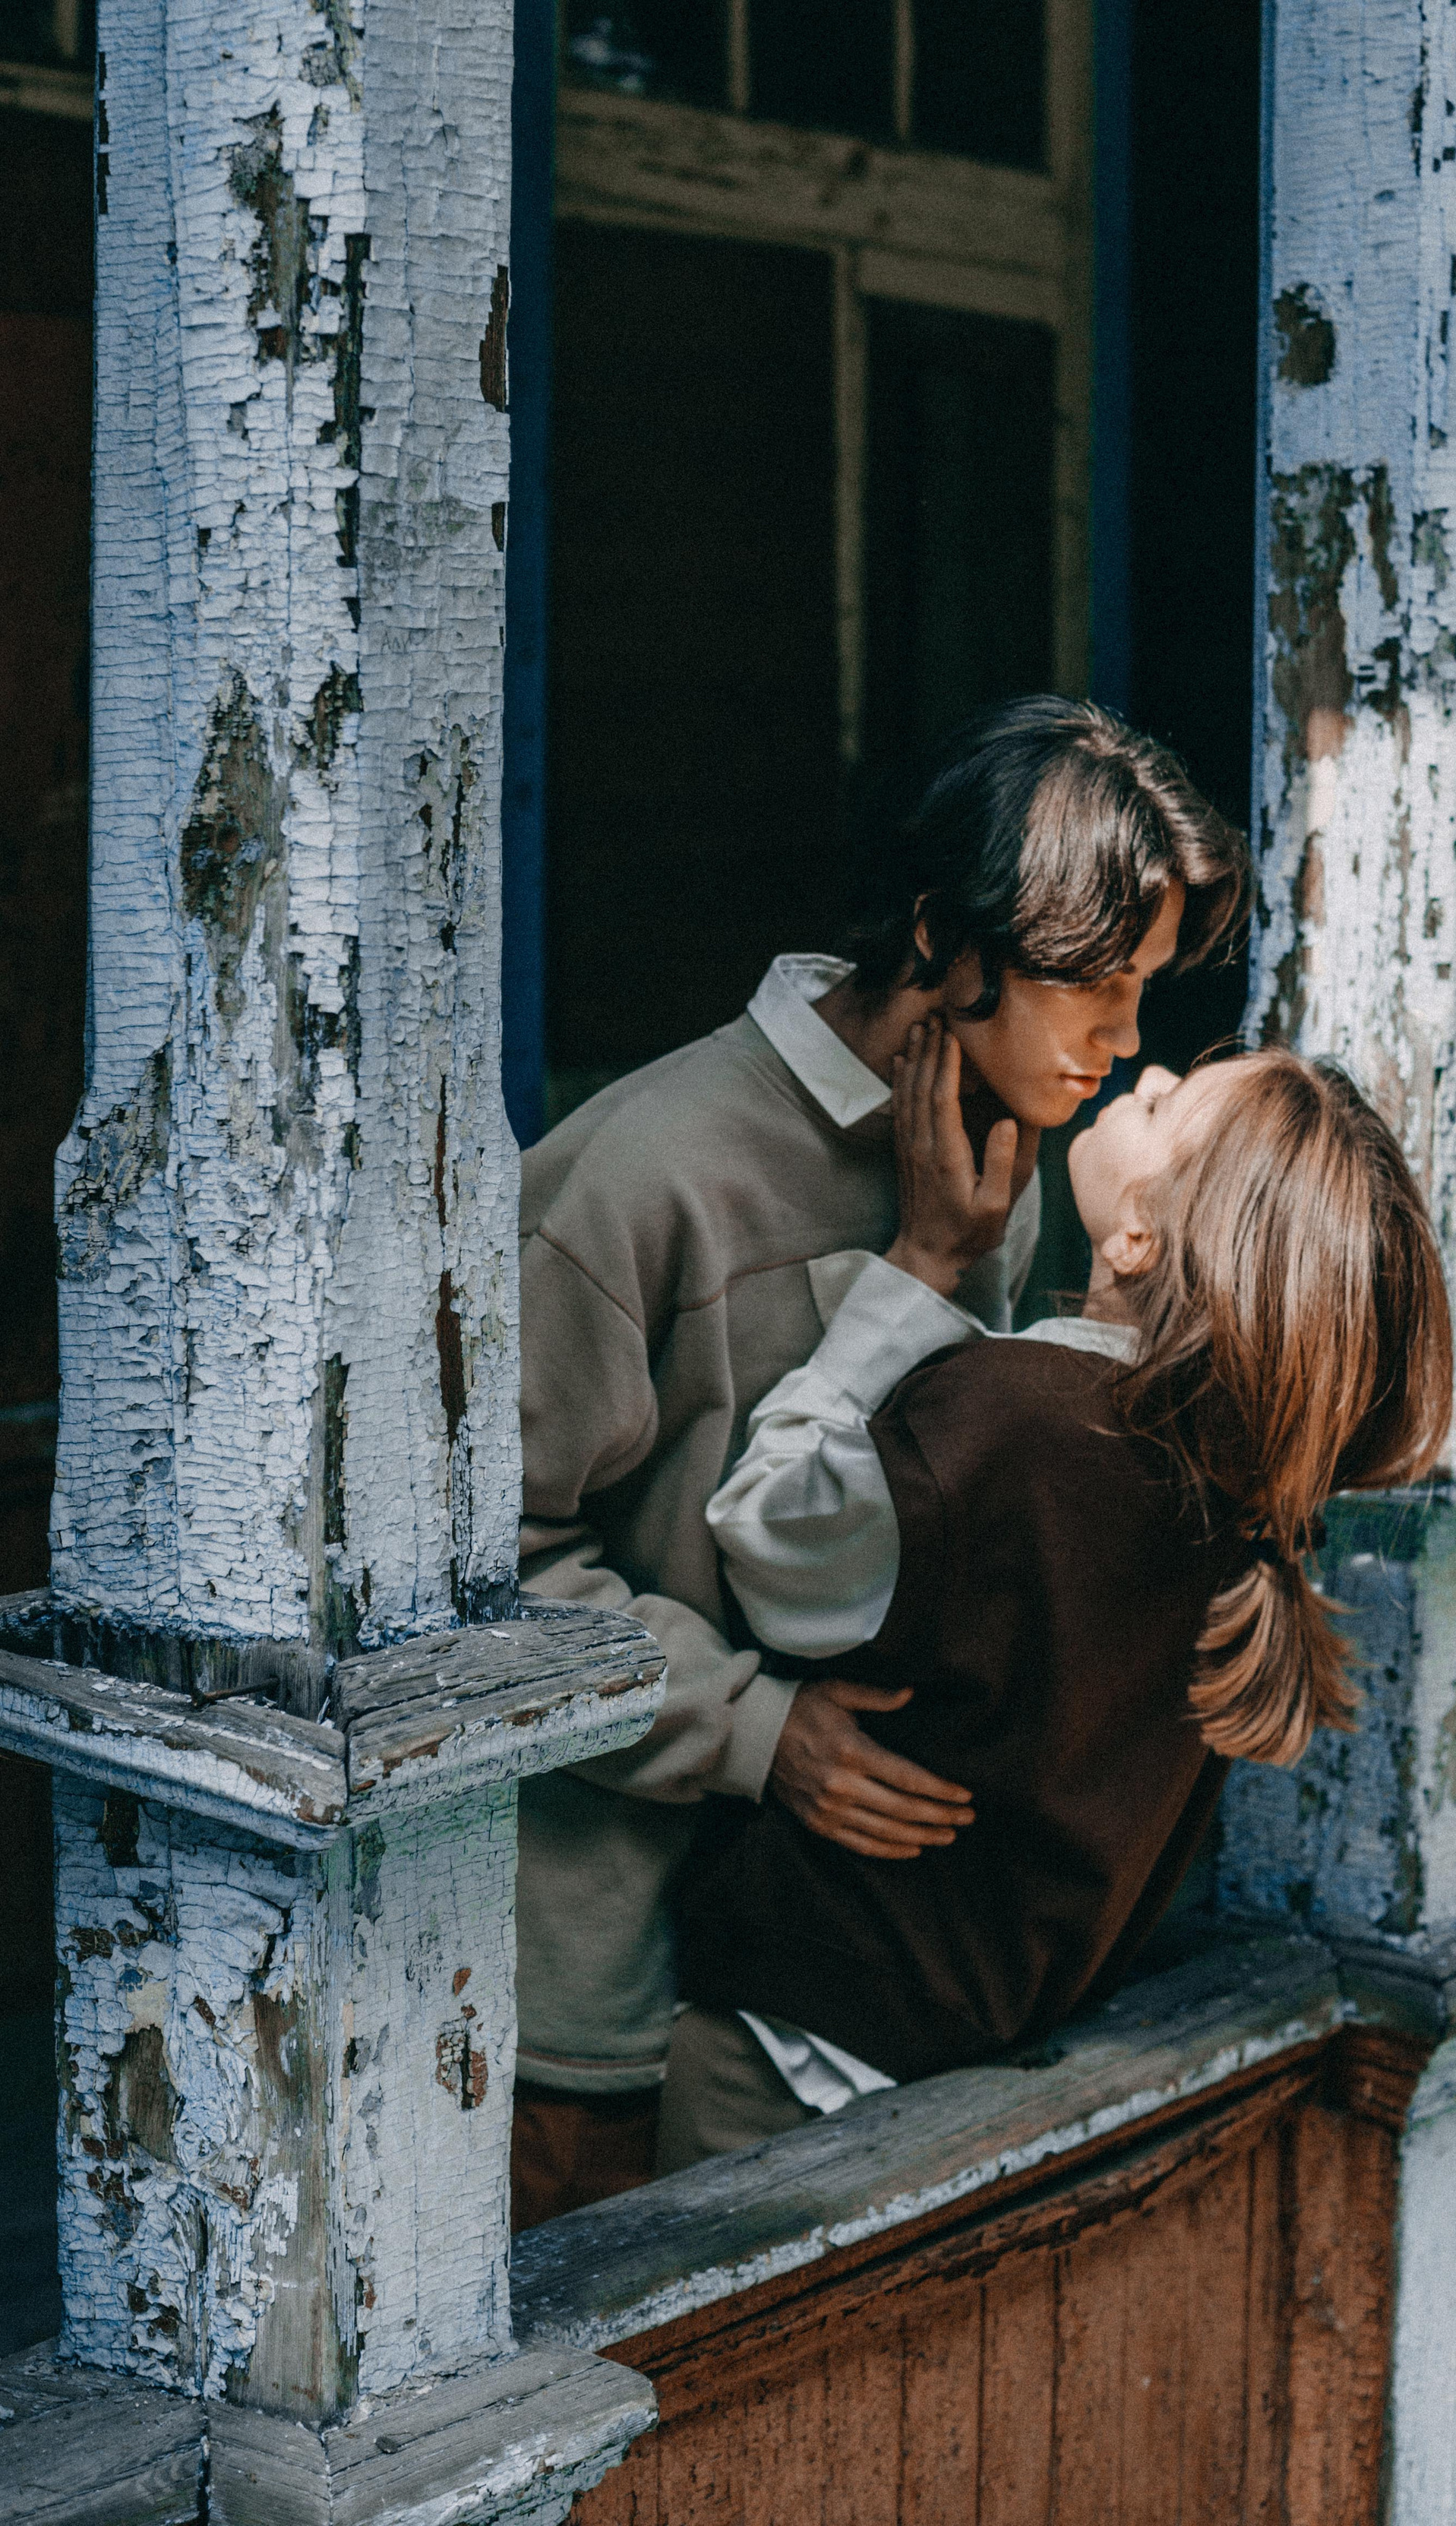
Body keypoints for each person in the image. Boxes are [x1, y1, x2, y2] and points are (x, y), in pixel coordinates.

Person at [510, 697, 1249, 2222]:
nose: (1125, 1040)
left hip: (840, 2006)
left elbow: (942, 1526)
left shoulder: (1010, 1169)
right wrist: (751, 1728)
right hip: (593, 2016)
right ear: (941, 936)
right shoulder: (641, 1174)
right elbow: (470, 1576)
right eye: (1096, 988)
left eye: (1149, 990)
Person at [658, 1036, 1452, 2165]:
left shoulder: (1009, 1425)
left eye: (1171, 1101)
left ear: (1137, 1234)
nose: (1151, 1068)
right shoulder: (1231, 1498)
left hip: (786, 2057)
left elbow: (767, 1540)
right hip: (973, 2088)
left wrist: (916, 1271)